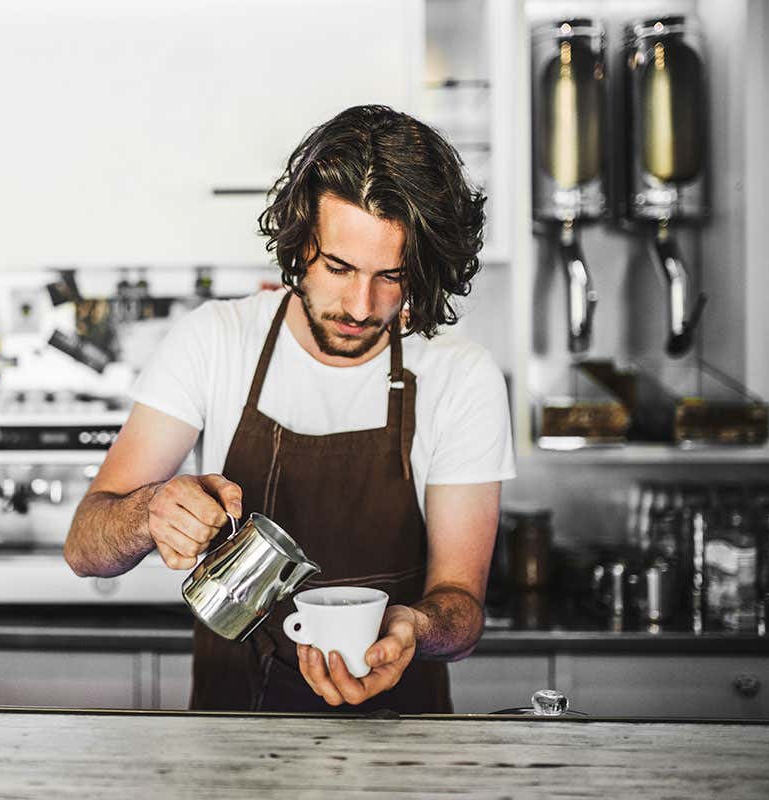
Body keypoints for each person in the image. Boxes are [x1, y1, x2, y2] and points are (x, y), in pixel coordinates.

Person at [64, 105, 515, 713]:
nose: (362, 304)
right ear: (301, 242)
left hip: (404, 743)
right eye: (339, 268)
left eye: (393, 275)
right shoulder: (215, 341)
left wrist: (416, 628)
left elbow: (461, 605)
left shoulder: (462, 376)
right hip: (233, 742)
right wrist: (149, 512)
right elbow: (85, 546)